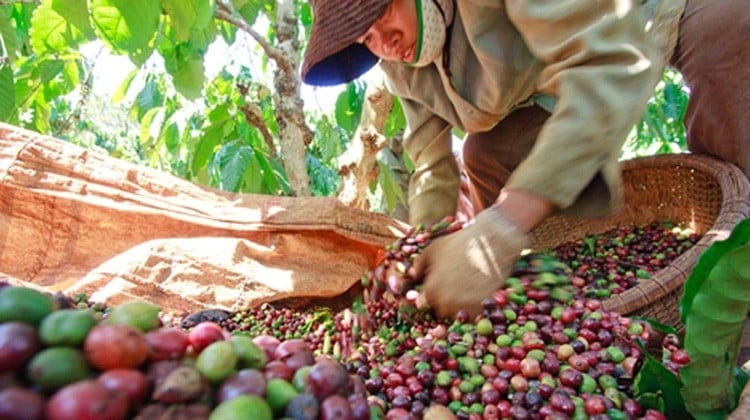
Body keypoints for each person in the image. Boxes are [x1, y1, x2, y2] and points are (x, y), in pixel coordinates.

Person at [300, 0, 750, 319]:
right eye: (367, 37)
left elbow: (606, 70)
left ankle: (737, 264)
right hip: (550, 78)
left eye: (381, 14)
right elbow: (432, 163)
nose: (384, 42)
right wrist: (424, 254)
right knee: (486, 155)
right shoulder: (399, 63)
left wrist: (503, 224)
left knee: (729, 30)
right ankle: (529, 292)